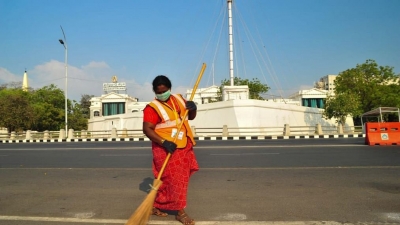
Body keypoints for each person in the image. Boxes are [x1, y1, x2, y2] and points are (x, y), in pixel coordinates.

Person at [142, 75, 198, 225]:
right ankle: (180, 212)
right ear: (154, 91)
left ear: (170, 89)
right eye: (159, 92)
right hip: (165, 148)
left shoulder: (179, 99)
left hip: (183, 145)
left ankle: (157, 204)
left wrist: (193, 108)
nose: (162, 94)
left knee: (176, 179)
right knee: (174, 180)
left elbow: (190, 117)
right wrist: (164, 142)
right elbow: (147, 129)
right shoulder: (151, 108)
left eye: (164, 91)